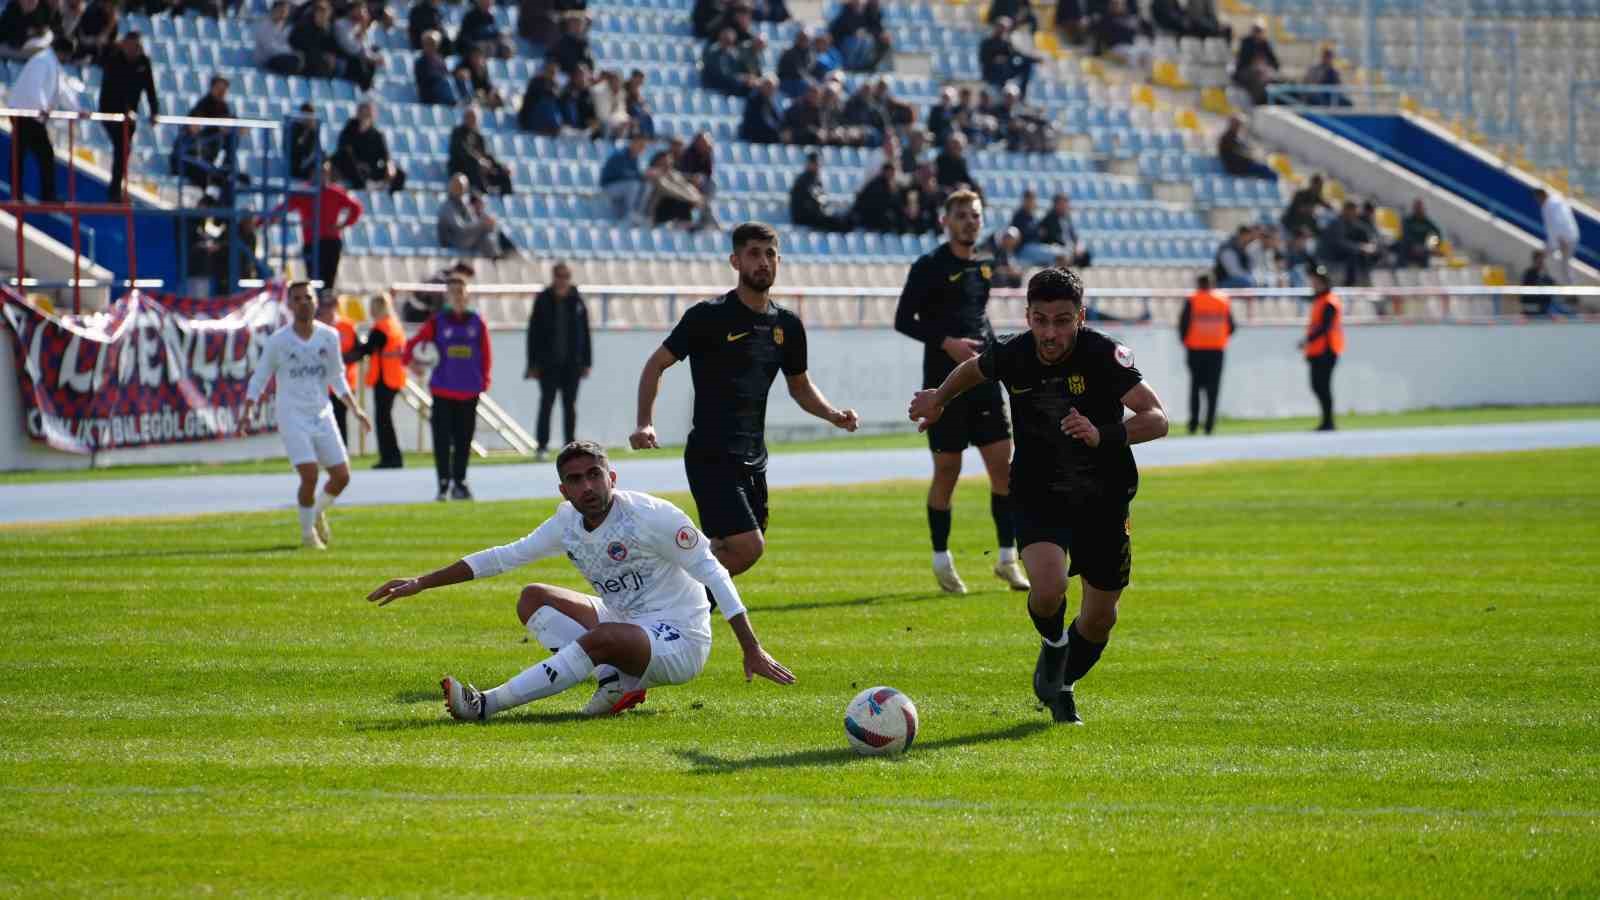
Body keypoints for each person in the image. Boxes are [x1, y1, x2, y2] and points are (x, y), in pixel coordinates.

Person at [907, 267, 1169, 725]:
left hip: (1104, 496)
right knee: (1047, 591)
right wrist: (940, 399)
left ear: (1081, 317)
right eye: (1042, 320)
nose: (1051, 333)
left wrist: (1104, 433)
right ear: (1027, 316)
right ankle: (1054, 646)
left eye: (1063, 320)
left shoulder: (1105, 354)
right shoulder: (1012, 352)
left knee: (1100, 619)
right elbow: (974, 369)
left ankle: (1062, 681)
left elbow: (1157, 417)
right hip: (1037, 490)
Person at [366, 441, 795, 721]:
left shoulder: (653, 516)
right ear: (563, 490)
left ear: (612, 477)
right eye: (575, 479)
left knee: (603, 636)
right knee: (532, 598)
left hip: (680, 638)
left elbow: (715, 572)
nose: (587, 485)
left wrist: (751, 647)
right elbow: (502, 558)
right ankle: (613, 682)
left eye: (594, 474)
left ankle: (484, 705)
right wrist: (422, 581)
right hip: (624, 620)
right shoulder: (566, 523)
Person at [630, 222, 859, 577]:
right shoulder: (709, 316)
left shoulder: (787, 325)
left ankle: (666, 608)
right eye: (754, 254)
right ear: (735, 261)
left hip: (754, 457)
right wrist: (645, 421)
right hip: (711, 454)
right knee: (748, 547)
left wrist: (831, 414)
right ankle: (676, 612)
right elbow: (655, 364)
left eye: (770, 254)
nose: (763, 262)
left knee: (719, 550)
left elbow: (799, 386)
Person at [893, 190, 1030, 596]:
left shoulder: (984, 266)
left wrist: (993, 349)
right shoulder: (929, 265)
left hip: (984, 381)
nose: (970, 221)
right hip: (944, 385)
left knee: (1004, 469)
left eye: (975, 215)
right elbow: (903, 319)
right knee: (947, 473)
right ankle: (942, 560)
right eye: (962, 215)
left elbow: (977, 314)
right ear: (945, 220)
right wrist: (946, 342)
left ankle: (1007, 558)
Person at [238, 281, 372, 549]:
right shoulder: (279, 341)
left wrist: (356, 410)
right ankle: (307, 534)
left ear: (315, 302)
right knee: (309, 474)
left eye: (307, 297)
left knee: (342, 476)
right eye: (297, 298)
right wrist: (248, 410)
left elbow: (337, 377)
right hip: (292, 416)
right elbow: (261, 376)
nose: (303, 303)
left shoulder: (329, 337)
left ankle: (317, 511)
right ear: (289, 305)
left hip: (322, 413)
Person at [405, 275, 491, 501]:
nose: (458, 297)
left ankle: (460, 482)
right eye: (453, 292)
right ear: (447, 296)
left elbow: (485, 354)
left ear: (467, 295)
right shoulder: (437, 322)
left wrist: (484, 380)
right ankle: (443, 483)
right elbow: (410, 346)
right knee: (442, 440)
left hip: (469, 390)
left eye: (461, 292)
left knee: (464, 440)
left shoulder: (477, 322)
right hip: (443, 391)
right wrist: (413, 363)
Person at [259, 161, 363, 292]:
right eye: (319, 172)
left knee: (328, 283)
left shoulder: (335, 192)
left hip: (331, 242)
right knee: (313, 282)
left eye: (325, 173)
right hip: (311, 242)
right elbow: (282, 208)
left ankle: (324, 308)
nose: (322, 176)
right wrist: (260, 222)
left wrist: (342, 225)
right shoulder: (304, 192)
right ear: (312, 173)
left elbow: (356, 208)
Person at [526, 262, 592, 460]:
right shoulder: (543, 299)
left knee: (570, 406)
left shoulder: (577, 300)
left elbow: (585, 334)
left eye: (565, 276)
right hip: (548, 364)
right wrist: (532, 364)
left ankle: (570, 447)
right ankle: (542, 446)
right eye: (558, 276)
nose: (562, 280)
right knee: (546, 403)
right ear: (553, 277)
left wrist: (587, 362)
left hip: (572, 364)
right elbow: (533, 334)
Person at [8, 39, 77, 203]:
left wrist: (77, 109)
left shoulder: (51, 62)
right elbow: (35, 86)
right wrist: (43, 107)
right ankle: (25, 195)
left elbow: (62, 90)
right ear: (63, 52)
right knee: (30, 154)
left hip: (32, 114)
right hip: (24, 113)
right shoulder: (42, 61)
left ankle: (32, 195)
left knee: (30, 154)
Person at [345, 291, 407, 468]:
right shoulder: (394, 325)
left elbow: (366, 350)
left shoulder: (380, 328)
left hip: (384, 379)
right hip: (394, 378)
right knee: (386, 419)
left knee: (383, 421)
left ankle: (390, 457)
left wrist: (345, 358)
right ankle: (393, 456)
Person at [97, 32, 159, 203]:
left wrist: (155, 111)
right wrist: (124, 111)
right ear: (123, 45)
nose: (133, 50)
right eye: (130, 45)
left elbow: (150, 89)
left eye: (137, 46)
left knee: (125, 149)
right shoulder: (113, 60)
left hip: (131, 115)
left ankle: (117, 189)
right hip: (111, 111)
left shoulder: (144, 62)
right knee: (122, 147)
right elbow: (112, 90)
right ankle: (114, 192)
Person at [1178, 273, 1234, 435]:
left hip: (1195, 350)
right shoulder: (1223, 300)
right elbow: (1231, 326)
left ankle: (1193, 424)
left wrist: (1186, 342)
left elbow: (1183, 325)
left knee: (1195, 387)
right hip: (1216, 350)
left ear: (1199, 284)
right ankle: (1210, 424)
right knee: (1213, 389)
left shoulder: (1193, 300)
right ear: (1212, 283)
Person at [1298, 265, 1343, 432]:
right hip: (1318, 350)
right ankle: (1326, 420)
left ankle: (1328, 421)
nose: (1314, 285)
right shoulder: (1319, 300)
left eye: (1317, 282)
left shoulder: (1329, 301)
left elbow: (1324, 326)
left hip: (1327, 349)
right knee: (1317, 385)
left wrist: (1307, 340)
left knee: (1323, 385)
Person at [315, 294, 360, 446]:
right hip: (320, 384)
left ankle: (341, 453)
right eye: (324, 307)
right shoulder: (314, 327)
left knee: (340, 420)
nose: (326, 310)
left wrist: (339, 359)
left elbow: (358, 352)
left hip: (344, 382)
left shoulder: (347, 326)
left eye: (330, 306)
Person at [333, 102, 406, 193]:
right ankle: (363, 188)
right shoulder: (349, 129)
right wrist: (358, 164)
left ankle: (386, 196)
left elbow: (385, 155)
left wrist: (390, 166)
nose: (365, 116)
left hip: (370, 169)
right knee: (349, 164)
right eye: (363, 113)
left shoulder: (376, 134)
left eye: (368, 114)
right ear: (358, 113)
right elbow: (343, 151)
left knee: (400, 174)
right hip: (352, 168)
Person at [449, 106, 514, 195]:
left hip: (480, 171)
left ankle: (506, 202)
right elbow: (463, 151)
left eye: (474, 118)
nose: (472, 120)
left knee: (504, 175)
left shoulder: (478, 136)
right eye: (469, 117)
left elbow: (486, 155)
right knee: (475, 165)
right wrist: (479, 161)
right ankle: (483, 195)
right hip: (463, 169)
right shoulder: (457, 133)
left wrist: (501, 167)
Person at [789, 151, 852, 233]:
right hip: (804, 217)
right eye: (815, 163)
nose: (818, 166)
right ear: (809, 163)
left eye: (818, 163)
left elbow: (822, 200)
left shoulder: (814, 179)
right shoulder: (805, 180)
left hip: (813, 214)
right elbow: (814, 201)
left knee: (841, 219)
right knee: (837, 222)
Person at [1534, 187, 1580, 284]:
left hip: (1564, 238)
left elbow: (1557, 223)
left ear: (1541, 196)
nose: (1537, 202)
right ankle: (1567, 288)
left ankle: (1570, 291)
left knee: (1564, 265)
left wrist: (1560, 239)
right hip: (1569, 235)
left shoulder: (1549, 206)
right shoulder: (1557, 200)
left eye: (1537, 198)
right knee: (1562, 264)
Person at [599, 135, 649, 221]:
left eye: (643, 147)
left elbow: (635, 175)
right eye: (640, 146)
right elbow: (623, 174)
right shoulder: (620, 155)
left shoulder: (635, 158)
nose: (642, 149)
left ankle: (638, 213)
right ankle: (629, 213)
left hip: (621, 186)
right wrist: (642, 175)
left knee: (647, 185)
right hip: (609, 186)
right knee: (633, 185)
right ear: (633, 144)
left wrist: (645, 176)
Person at [1039, 192, 1091, 268]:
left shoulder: (1067, 218)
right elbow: (1049, 238)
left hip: (1071, 249)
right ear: (1055, 204)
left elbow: (1075, 236)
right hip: (1058, 249)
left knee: (1086, 255)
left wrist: (1078, 246)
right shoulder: (1049, 219)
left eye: (1065, 203)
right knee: (1063, 256)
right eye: (1061, 204)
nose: (1064, 206)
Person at [1218, 116, 1277, 180]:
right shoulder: (1228, 138)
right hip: (1237, 167)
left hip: (1242, 165)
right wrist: (1250, 156)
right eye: (1237, 125)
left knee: (1267, 169)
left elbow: (1245, 151)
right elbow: (1238, 153)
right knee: (1266, 170)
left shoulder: (1235, 137)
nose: (1239, 127)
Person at [254, 0, 302, 74]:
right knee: (292, 62)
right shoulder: (264, 25)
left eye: (286, 10)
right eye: (282, 10)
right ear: (275, 9)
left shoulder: (287, 27)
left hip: (282, 57)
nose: (284, 13)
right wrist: (290, 51)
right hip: (267, 60)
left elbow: (289, 44)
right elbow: (270, 48)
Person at [1395, 199, 1441, 268]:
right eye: (1417, 207)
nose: (1419, 209)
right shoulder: (1408, 221)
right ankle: (1400, 269)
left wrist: (1431, 245)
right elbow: (1406, 235)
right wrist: (1414, 245)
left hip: (1423, 249)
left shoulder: (1427, 222)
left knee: (1427, 253)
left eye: (1420, 208)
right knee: (1401, 246)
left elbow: (1437, 234)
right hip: (1409, 248)